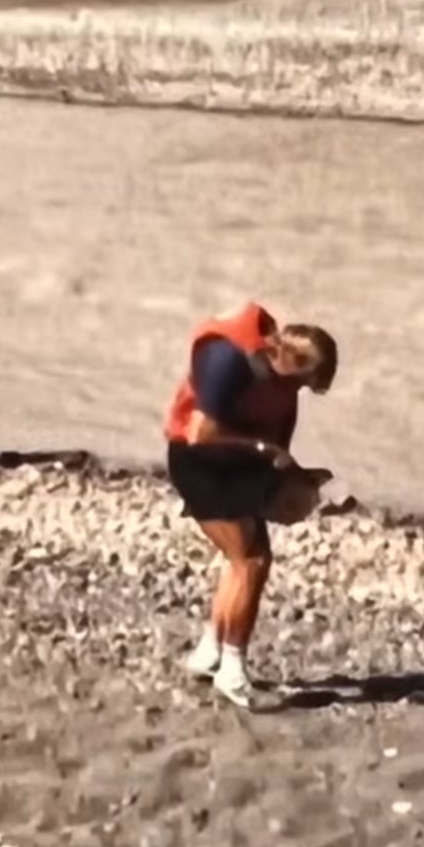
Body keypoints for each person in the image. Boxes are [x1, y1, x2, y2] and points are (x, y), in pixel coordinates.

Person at [162, 300, 339, 706]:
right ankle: (233, 671)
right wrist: (259, 446)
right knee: (252, 562)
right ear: (289, 359)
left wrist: (295, 476)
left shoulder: (282, 380)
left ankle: (210, 652)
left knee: (241, 558)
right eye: (304, 381)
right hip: (198, 463)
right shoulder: (229, 363)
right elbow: (200, 434)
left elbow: (277, 440)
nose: (300, 391)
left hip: (235, 465)